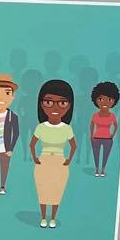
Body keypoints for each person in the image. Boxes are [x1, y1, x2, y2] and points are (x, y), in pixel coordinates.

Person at [29, 79, 77, 228]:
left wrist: (68, 159)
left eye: (62, 103)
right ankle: (43, 217)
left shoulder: (66, 128)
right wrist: (35, 158)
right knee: (43, 190)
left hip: (60, 162)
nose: (55, 107)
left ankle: (53, 218)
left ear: (69, 105)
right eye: (49, 102)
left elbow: (73, 146)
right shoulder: (41, 127)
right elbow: (32, 144)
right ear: (41, 104)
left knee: (57, 191)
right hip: (43, 162)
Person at [89, 80, 120, 177]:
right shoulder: (95, 115)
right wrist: (91, 136)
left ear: (114, 101)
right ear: (96, 100)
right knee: (96, 154)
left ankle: (102, 169)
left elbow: (116, 126)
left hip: (108, 139)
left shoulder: (112, 116)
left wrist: (112, 135)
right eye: (101, 99)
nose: (105, 102)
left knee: (106, 155)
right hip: (96, 138)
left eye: (109, 99)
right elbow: (92, 125)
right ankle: (96, 169)